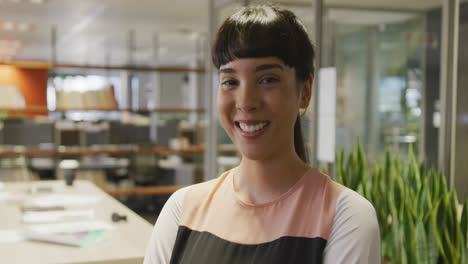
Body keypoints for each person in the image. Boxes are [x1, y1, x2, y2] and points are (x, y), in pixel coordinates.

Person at [143, 4, 380, 264]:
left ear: (305, 91)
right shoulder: (183, 210)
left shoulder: (344, 217)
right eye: (230, 82)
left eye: (267, 79)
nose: (245, 102)